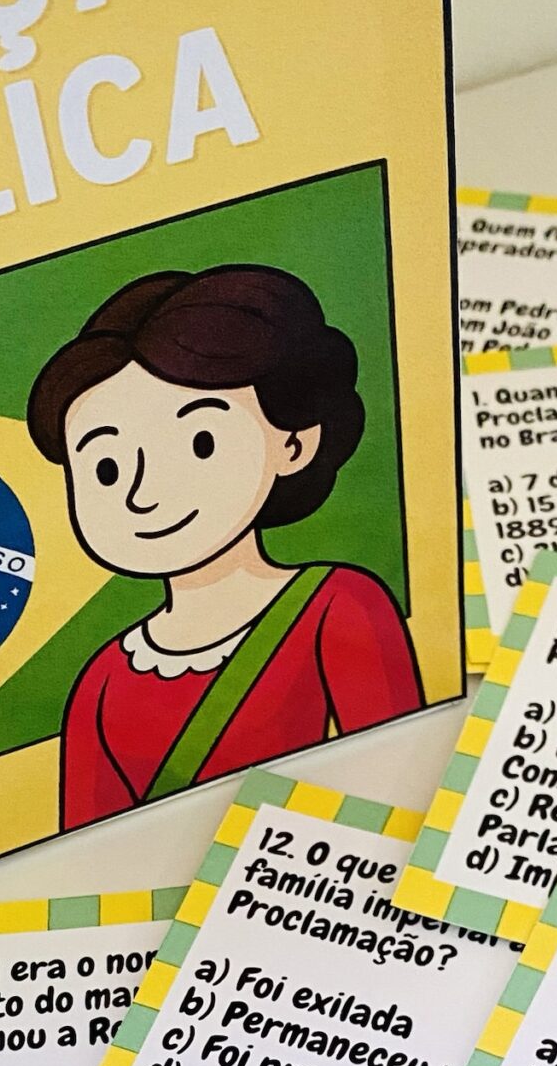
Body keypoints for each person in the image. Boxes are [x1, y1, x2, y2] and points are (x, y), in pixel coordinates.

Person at [28, 265, 423, 824]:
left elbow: (399, 777)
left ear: (293, 444)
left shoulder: (337, 606)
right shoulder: (104, 681)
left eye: (201, 442)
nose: (143, 493)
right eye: (107, 467)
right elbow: (88, 838)